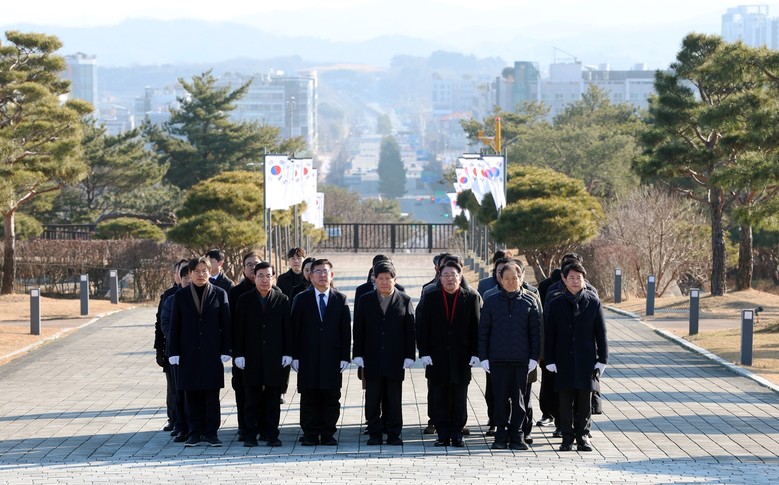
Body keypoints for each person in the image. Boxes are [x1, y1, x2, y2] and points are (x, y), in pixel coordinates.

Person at [168, 257, 232, 447]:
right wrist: (173, 351)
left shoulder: (220, 293)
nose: (201, 274)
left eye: (204, 270)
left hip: (212, 352)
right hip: (188, 353)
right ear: (190, 273)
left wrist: (227, 349)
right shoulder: (181, 296)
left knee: (212, 395)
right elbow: (174, 325)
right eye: (197, 271)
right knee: (192, 394)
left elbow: (226, 324)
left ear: (209, 272)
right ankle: (194, 432)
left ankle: (211, 433)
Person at [544, 262, 608, 452]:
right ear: (564, 279)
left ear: (584, 280)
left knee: (584, 401)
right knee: (565, 402)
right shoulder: (555, 303)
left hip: (586, 360)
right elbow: (549, 334)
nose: (575, 281)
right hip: (563, 359)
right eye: (571, 277)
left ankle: (583, 437)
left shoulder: (593, 302)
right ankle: (566, 437)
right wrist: (549, 359)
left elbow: (601, 333)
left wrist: (602, 359)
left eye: (578, 278)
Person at [416, 260, 480, 448]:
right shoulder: (431, 297)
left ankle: (457, 434)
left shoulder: (470, 298)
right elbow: (422, 327)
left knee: (459, 398)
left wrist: (476, 353)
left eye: (453, 275)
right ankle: (442, 434)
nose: (450, 278)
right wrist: (424, 352)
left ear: (460, 277)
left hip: (462, 357)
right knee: (438, 397)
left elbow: (476, 327)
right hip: (437, 357)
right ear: (440, 278)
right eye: (446, 275)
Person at [479, 260, 541, 450]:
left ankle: (517, 435)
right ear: (500, 279)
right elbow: (484, 331)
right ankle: (500, 435)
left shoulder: (530, 301)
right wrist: (483, 357)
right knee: (500, 400)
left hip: (521, 361)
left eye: (515, 277)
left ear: (521, 278)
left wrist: (534, 357)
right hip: (497, 360)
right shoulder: (491, 301)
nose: (511, 281)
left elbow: (536, 333)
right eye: (507, 278)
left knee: (520, 400)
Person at [352, 260, 415, 446]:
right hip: (372, 357)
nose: (384, 282)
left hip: (395, 358)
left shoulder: (405, 300)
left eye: (388, 278)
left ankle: (394, 434)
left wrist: (410, 355)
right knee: (372, 398)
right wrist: (358, 353)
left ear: (395, 279)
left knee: (393, 398)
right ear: (374, 279)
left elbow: (410, 330)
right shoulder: (365, 300)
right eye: (381, 278)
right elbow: (359, 328)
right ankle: (375, 434)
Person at [290, 258, 351, 446]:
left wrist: (345, 356)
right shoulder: (301, 299)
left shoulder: (340, 299)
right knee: (309, 396)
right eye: (318, 271)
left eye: (326, 271)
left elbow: (345, 331)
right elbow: (294, 330)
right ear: (310, 276)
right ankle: (310, 434)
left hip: (332, 357)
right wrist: (295, 356)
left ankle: (327, 433)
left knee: (331, 396)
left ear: (332, 275)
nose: (322, 275)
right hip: (307, 357)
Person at [233, 261, 292, 447]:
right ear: (254, 277)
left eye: (268, 276)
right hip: (251, 357)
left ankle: (272, 434)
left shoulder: (282, 299)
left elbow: (287, 329)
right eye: (260, 276)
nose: (264, 280)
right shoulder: (244, 300)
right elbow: (238, 329)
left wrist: (288, 352)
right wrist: (238, 354)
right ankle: (250, 435)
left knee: (273, 398)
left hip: (275, 357)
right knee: (251, 398)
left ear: (273, 278)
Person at [227, 251, 262, 442]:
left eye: (256, 264)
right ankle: (244, 427)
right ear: (243, 268)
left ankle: (263, 426)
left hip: (265, 352)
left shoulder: (274, 291)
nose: (253, 267)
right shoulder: (235, 292)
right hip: (242, 351)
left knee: (265, 391)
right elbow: (231, 323)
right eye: (249, 264)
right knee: (242, 390)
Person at [154, 258, 188, 434]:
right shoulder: (169, 296)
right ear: (177, 275)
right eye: (182, 272)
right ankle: (173, 419)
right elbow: (160, 324)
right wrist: (159, 350)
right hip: (171, 349)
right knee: (172, 387)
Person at [161, 263, 191, 443]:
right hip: (177, 351)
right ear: (179, 278)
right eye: (184, 277)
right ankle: (180, 426)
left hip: (197, 352)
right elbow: (164, 324)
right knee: (178, 392)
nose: (188, 280)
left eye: (190, 277)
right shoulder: (172, 299)